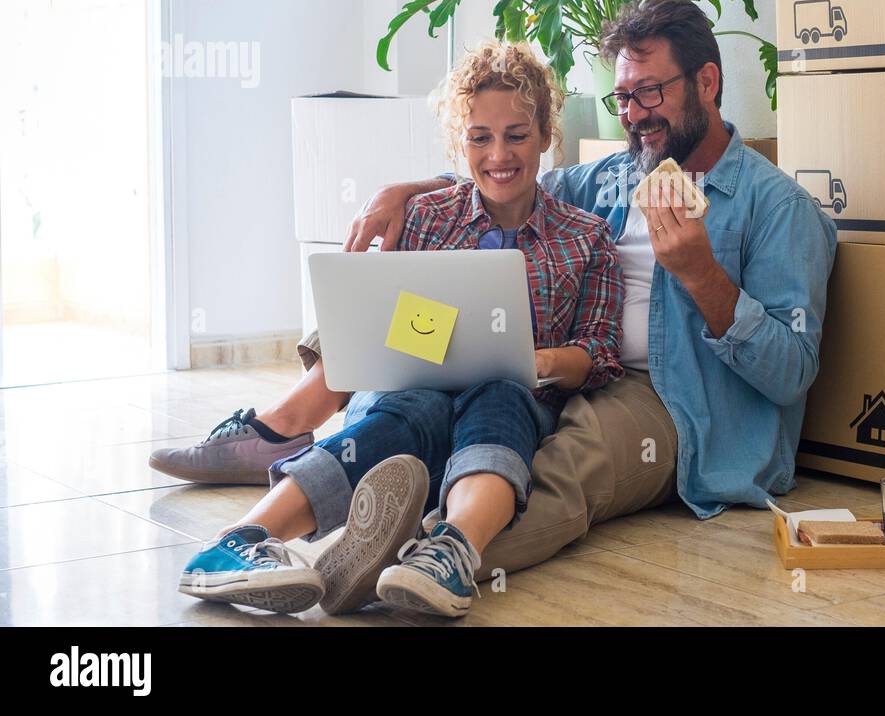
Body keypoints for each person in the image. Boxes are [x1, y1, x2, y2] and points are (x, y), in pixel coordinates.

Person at [161, 0, 837, 585]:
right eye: (622, 97)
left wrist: (701, 275)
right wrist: (408, 191)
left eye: (650, 93)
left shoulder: (779, 209)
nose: (633, 115)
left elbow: (791, 372)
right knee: (407, 312)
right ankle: (292, 435)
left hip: (675, 397)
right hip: (559, 369)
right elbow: (505, 184)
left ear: (708, 82)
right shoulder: (610, 178)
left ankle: (421, 554)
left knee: (567, 461)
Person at [173, 41, 623, 618]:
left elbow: (600, 353)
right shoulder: (428, 217)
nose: (498, 155)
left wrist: (540, 360)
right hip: (409, 394)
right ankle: (234, 544)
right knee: (415, 407)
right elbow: (396, 327)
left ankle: (449, 552)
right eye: (479, 137)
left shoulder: (586, 238)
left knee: (500, 393)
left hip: (515, 402)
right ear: (459, 142)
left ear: (546, 135)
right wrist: (416, 338)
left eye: (517, 134)